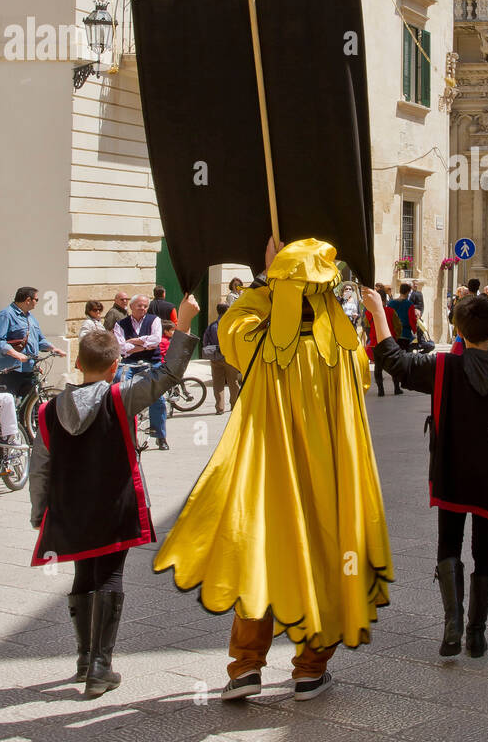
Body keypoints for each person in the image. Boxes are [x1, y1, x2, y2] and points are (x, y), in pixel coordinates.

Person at [154, 238, 393, 703]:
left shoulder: (259, 342)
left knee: (261, 560)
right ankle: (309, 670)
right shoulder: (343, 347)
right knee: (323, 560)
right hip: (328, 484)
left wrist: (269, 276)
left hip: (269, 478)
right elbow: (365, 375)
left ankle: (245, 667)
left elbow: (229, 329)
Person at [30, 295, 199, 698]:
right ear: (114, 367)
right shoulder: (120, 397)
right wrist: (185, 325)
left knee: (82, 575)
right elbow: (168, 375)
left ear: (77, 363)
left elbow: (39, 467)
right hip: (113, 503)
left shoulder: (49, 410)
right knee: (110, 575)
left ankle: (85, 658)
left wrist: (40, 512)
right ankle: (101, 667)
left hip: (69, 508)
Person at [368, 288, 488, 658]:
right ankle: (477, 633)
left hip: (451, 468)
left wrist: (378, 311)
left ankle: (451, 627)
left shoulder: (442, 367)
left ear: (457, 330)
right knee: (485, 545)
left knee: (449, 542)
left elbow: (394, 360)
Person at [113, 294, 169, 449]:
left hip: (151, 362)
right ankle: (121, 433)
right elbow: (121, 347)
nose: (143, 308)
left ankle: (160, 435)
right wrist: (144, 344)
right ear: (131, 307)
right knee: (118, 385)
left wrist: (134, 342)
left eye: (145, 306)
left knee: (157, 397)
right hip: (129, 363)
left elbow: (156, 340)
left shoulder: (154, 320)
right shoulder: (120, 324)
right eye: (139, 305)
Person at [0, 287, 64, 405]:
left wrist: (53, 348)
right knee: (8, 406)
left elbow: (39, 340)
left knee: (30, 405)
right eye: (37, 299)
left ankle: (28, 423)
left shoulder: (31, 318)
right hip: (11, 369)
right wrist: (17, 355)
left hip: (29, 368)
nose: (37, 302)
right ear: (28, 300)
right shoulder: (6, 315)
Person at [202, 302, 242, 414]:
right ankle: (234, 405)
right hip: (230, 357)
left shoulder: (212, 326)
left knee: (218, 383)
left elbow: (205, 341)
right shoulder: (231, 325)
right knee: (233, 382)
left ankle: (219, 407)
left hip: (215, 358)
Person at [364, 287, 402, 396]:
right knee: (394, 366)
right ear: (384, 300)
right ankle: (396, 388)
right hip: (390, 343)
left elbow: (367, 327)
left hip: (376, 344)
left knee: (378, 367)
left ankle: (381, 390)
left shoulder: (368, 314)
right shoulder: (391, 312)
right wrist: (396, 338)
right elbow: (397, 326)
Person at [387, 283, 417, 351]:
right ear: (408, 292)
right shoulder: (409, 305)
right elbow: (412, 320)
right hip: (405, 334)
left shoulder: (391, 303)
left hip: (393, 334)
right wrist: (415, 331)